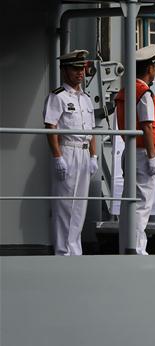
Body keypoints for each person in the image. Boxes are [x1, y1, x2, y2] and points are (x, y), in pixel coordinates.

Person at [43, 49, 98, 255]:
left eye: (82, 68)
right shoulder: (57, 96)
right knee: (65, 205)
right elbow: (51, 127)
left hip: (84, 153)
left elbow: (91, 130)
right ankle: (63, 252)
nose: (80, 73)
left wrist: (93, 156)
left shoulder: (85, 98)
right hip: (67, 151)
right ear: (64, 70)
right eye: (75, 69)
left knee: (79, 207)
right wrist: (57, 157)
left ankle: (75, 250)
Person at [114, 45, 155, 255]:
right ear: (150, 68)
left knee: (130, 203)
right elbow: (146, 125)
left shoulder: (126, 90)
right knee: (142, 205)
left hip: (131, 151)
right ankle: (136, 248)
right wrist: (153, 158)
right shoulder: (143, 93)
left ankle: (129, 245)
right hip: (143, 153)